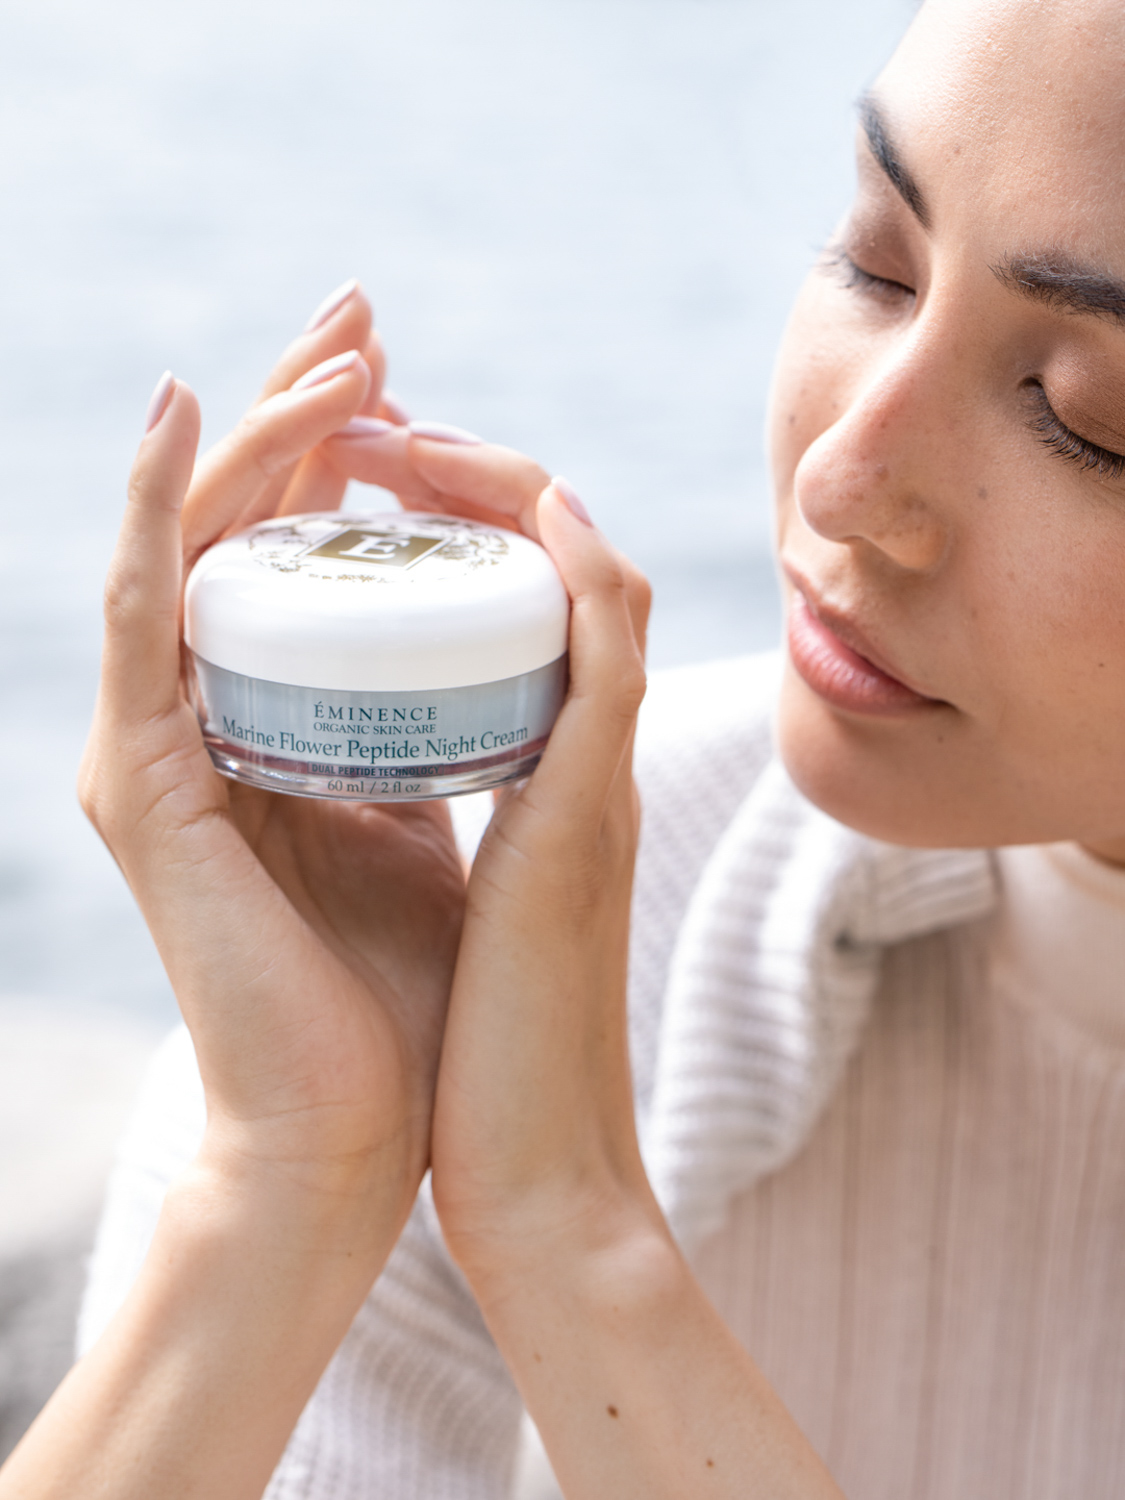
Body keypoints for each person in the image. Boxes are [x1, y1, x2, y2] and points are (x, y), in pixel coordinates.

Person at [3, 0, 1125, 1493]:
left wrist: (577, 1238)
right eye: (873, 260)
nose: (846, 479)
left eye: (1082, 416)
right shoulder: (525, 930)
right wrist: (279, 1190)